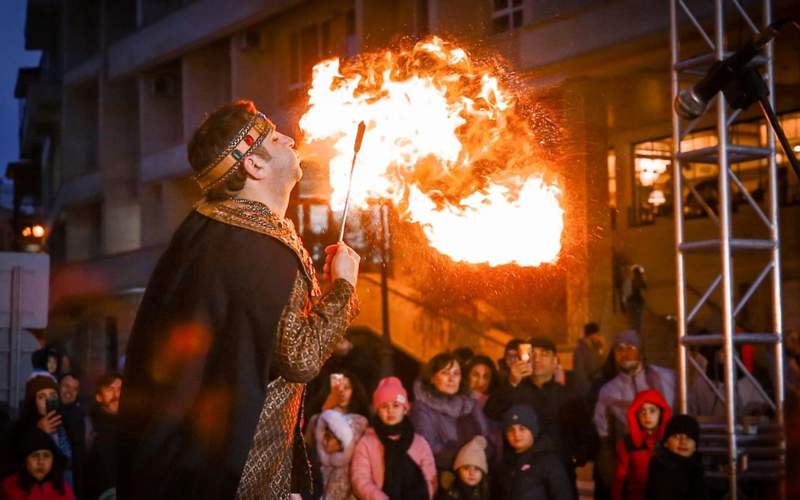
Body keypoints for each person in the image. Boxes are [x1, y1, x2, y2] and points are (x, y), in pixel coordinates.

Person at [116, 100, 361, 500]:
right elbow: (299, 358)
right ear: (254, 165)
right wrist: (344, 289)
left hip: (195, 463)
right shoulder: (258, 249)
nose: (289, 138)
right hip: (238, 475)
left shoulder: (215, 229)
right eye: (273, 137)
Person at [485, 338, 594, 491]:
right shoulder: (515, 390)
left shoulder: (569, 396)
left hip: (560, 475)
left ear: (555, 361)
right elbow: (491, 411)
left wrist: (574, 458)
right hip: (521, 475)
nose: (537, 359)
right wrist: (512, 382)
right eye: (532, 354)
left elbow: (587, 434)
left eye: (544, 354)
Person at [594, 330, 675, 499]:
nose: (625, 353)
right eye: (619, 349)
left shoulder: (666, 378)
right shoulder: (608, 391)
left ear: (641, 350)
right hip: (632, 466)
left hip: (666, 460)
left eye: (631, 347)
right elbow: (604, 435)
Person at [351, 377, 437, 500]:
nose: (390, 411)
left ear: (405, 409)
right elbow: (360, 479)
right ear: (377, 411)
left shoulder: (419, 443)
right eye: (384, 406)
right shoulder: (367, 442)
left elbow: (430, 477)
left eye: (396, 405)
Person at [410, 352, 495, 474]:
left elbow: (488, 440)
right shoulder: (423, 409)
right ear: (433, 378)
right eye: (445, 373)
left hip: (477, 476)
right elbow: (429, 450)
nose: (451, 379)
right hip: (443, 477)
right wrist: (468, 458)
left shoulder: (471, 404)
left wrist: (479, 458)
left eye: (456, 374)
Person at [7, 376, 83, 495]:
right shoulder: (21, 428)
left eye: (52, 395)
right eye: (41, 396)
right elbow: (16, 462)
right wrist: (39, 432)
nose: (48, 400)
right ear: (33, 401)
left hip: (66, 484)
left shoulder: (66, 422)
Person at [494, 404, 572, 500]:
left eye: (522, 429)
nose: (516, 434)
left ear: (533, 430)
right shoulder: (505, 462)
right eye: (511, 430)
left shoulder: (549, 462)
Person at [612, 389, 671, 500]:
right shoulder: (628, 443)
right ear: (636, 415)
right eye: (642, 411)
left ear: (661, 413)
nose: (646, 416)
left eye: (652, 411)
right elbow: (619, 478)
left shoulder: (670, 441)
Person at [0, 428, 75, 500]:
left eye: (46, 456)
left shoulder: (64, 489)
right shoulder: (8, 488)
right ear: (24, 460)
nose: (41, 462)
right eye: (35, 456)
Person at [645, 415, 708, 500]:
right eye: (677, 437)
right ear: (666, 443)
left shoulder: (696, 467)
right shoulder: (662, 467)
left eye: (689, 437)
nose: (683, 441)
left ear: (695, 447)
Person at [84, 373, 123, 500]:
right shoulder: (88, 426)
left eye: (120, 389)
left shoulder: (132, 427)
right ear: (99, 397)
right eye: (110, 390)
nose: (117, 395)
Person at [314, 409, 366, 500]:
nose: (325, 441)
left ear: (342, 444)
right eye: (326, 435)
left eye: (331, 438)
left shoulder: (348, 471)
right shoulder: (320, 461)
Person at [435, 436, 490, 500]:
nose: (471, 473)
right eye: (466, 468)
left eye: (477, 468)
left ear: (483, 472)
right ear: (458, 471)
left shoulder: (484, 489)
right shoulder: (450, 494)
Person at [572, 322, 607, 398]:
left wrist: (601, 350)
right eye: (597, 334)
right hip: (586, 392)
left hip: (596, 389)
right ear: (591, 335)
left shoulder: (596, 349)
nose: (598, 337)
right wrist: (591, 391)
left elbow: (602, 368)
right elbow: (580, 375)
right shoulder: (580, 351)